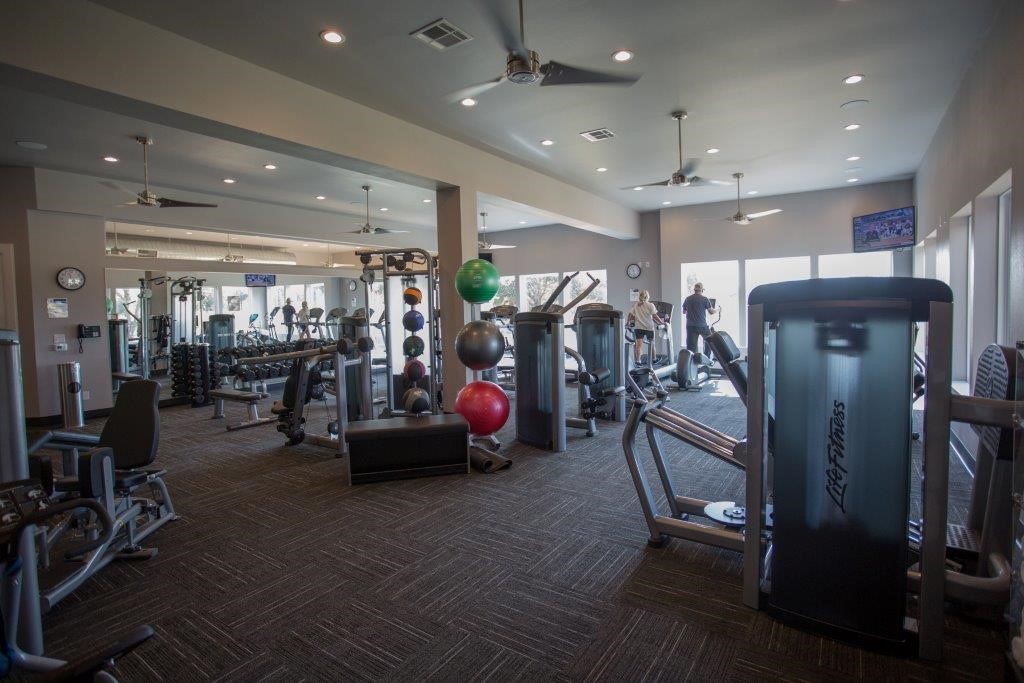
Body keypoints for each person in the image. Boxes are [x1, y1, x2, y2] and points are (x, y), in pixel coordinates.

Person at [627, 290, 665, 365]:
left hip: (639, 328)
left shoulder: (636, 305)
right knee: (652, 344)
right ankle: (654, 359)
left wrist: (628, 322)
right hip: (649, 328)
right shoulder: (650, 305)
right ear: (647, 297)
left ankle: (638, 361)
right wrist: (662, 322)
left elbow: (630, 314)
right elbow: (654, 316)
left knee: (638, 345)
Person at [682, 282, 717, 356]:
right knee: (710, 341)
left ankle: (693, 362)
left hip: (690, 326)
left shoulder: (687, 299)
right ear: (702, 290)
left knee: (691, 348)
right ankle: (706, 358)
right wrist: (717, 310)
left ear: (694, 290)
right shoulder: (705, 299)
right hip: (702, 326)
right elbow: (711, 312)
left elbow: (684, 312)